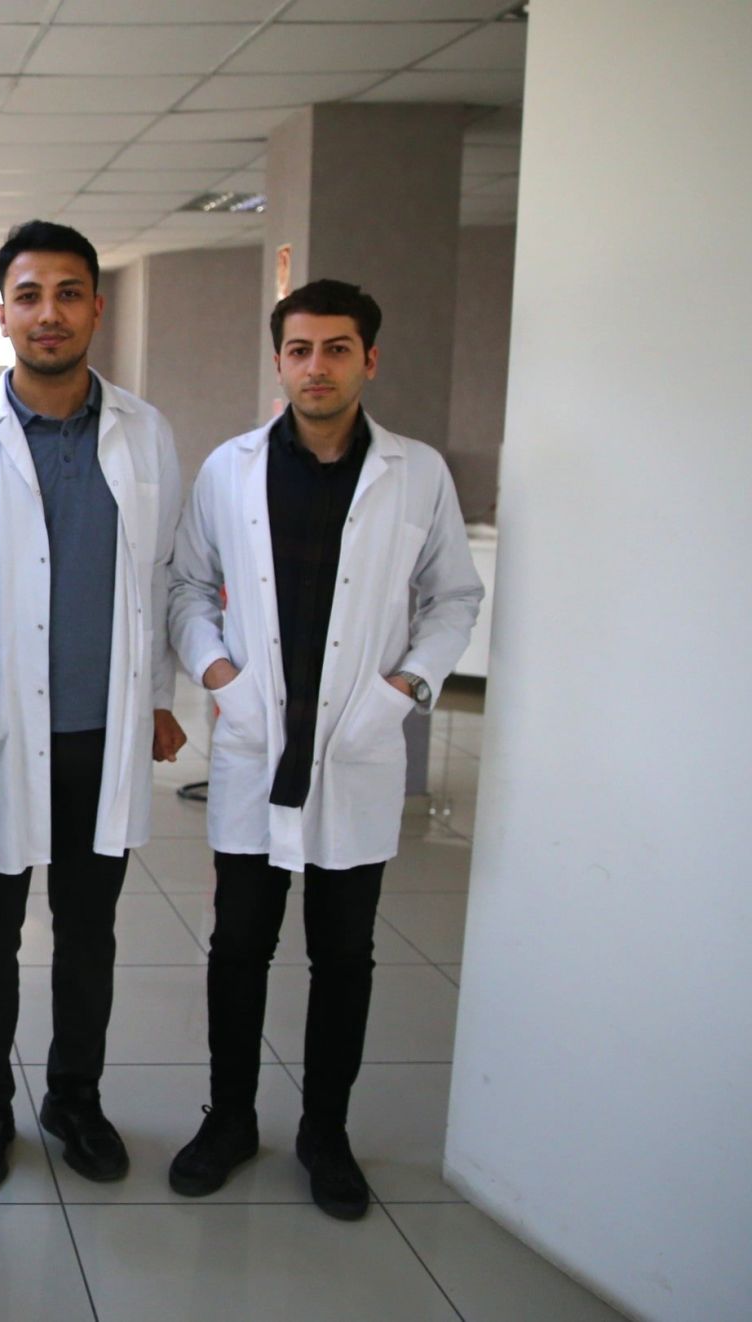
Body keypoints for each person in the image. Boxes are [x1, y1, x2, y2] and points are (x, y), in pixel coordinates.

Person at [166, 279, 482, 1220]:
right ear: (279, 361)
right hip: (258, 743)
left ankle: (325, 1133)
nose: (316, 367)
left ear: (368, 361)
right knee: (238, 946)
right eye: (299, 350)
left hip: (354, 747)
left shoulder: (417, 473)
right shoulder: (229, 469)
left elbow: (454, 597)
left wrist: (405, 689)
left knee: (345, 956)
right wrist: (219, 675)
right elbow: (188, 587)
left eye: (337, 349)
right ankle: (229, 1119)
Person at [0, 220, 187, 1193]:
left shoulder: (145, 431)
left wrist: (159, 697)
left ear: (96, 309)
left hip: (103, 728)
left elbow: (163, 576)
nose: (49, 313)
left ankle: (75, 1096)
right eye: (28, 295)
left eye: (68, 293)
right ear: (1, 314)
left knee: (89, 933)